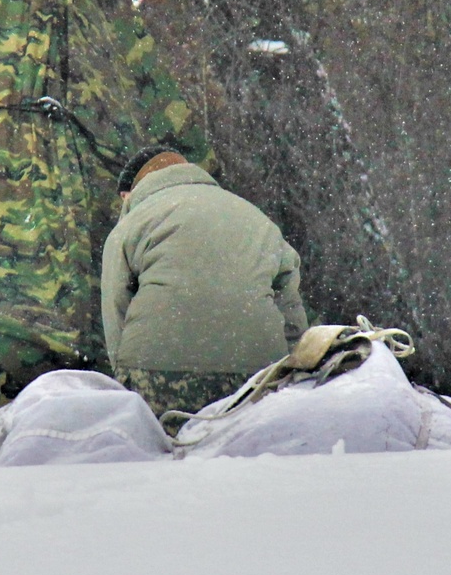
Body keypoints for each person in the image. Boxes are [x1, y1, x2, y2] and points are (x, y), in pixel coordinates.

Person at [101, 147, 309, 418]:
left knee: (161, 452)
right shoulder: (254, 217)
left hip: (157, 370)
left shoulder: (132, 224)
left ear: (128, 193)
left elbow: (116, 305)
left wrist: (124, 373)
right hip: (255, 372)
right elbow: (290, 306)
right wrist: (293, 368)